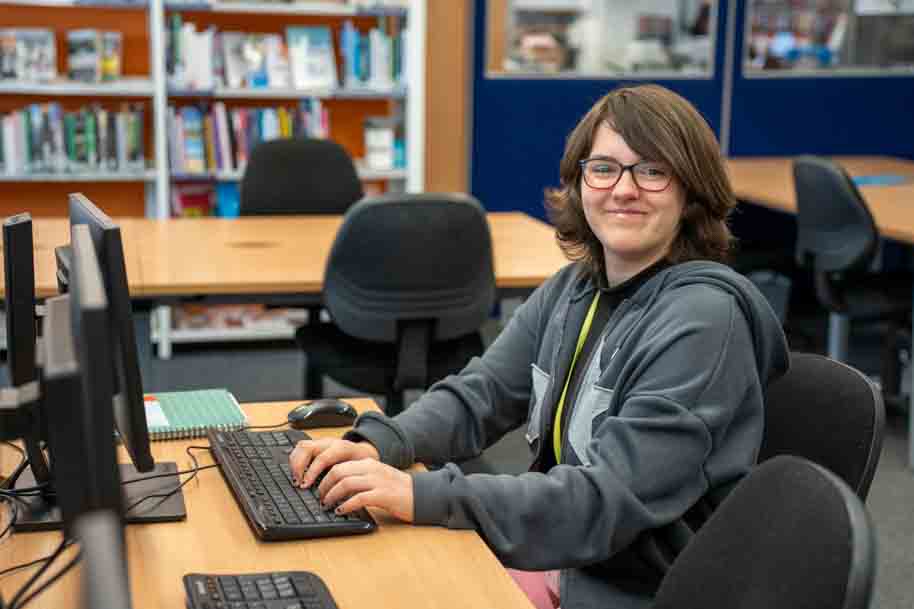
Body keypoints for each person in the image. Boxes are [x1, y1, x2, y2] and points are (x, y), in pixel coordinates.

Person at [289, 84, 789, 609]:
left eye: (653, 171)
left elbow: (605, 502)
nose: (623, 189)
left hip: (632, 587)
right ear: (580, 181)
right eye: (604, 168)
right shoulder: (577, 286)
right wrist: (380, 442)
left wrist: (421, 493)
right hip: (565, 554)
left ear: (691, 191)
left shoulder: (704, 321)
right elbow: (480, 394)